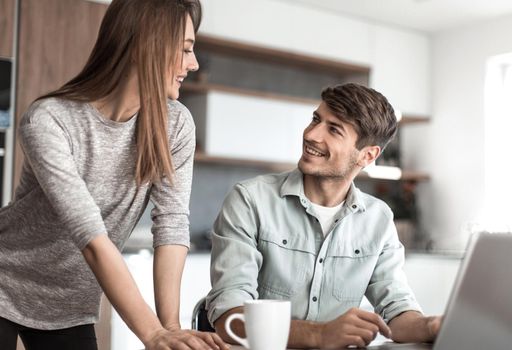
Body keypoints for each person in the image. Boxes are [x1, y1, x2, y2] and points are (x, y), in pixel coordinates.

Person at [0, 1, 228, 349]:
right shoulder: (49, 120)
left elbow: (171, 224)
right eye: (185, 49)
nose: (193, 63)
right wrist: (151, 333)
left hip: (70, 304)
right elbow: (90, 236)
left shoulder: (176, 126)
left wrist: (170, 326)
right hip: (5, 280)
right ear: (145, 46)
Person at [206, 83, 442, 349]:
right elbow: (229, 316)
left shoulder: (378, 219)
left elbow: (398, 311)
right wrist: (320, 335)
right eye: (316, 119)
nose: (311, 135)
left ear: (367, 155)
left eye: (334, 129)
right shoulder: (250, 200)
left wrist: (433, 325)